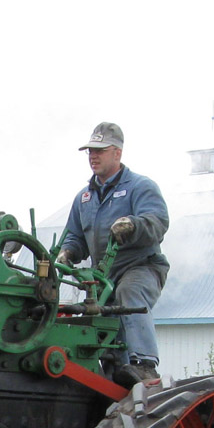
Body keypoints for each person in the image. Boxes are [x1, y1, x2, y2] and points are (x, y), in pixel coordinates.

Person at [56, 122, 170, 388]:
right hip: (104, 275)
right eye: (89, 152)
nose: (93, 157)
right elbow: (74, 236)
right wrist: (67, 252)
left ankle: (144, 364)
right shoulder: (83, 198)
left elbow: (158, 221)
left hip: (141, 266)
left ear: (117, 153)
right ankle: (112, 374)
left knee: (128, 292)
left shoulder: (140, 187)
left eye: (99, 151)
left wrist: (133, 225)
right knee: (98, 315)